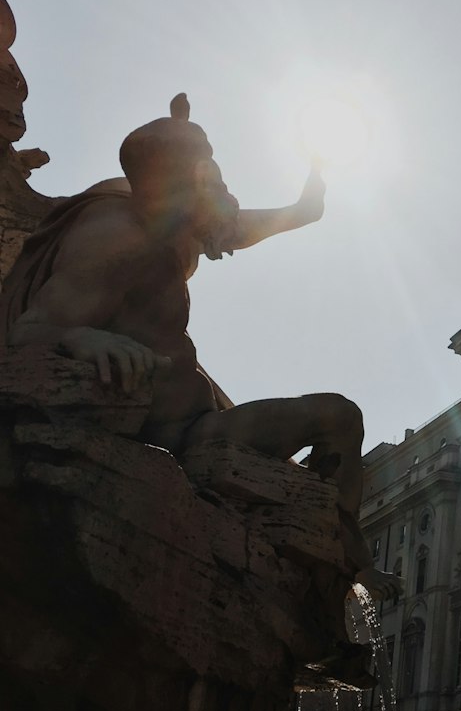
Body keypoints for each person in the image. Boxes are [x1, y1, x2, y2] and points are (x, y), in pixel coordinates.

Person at [0, 93, 399, 602]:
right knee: (336, 418)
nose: (222, 184)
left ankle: (349, 560)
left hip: (199, 421)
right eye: (210, 171)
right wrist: (83, 337)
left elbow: (283, 215)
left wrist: (314, 177)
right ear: (181, 183)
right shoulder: (113, 237)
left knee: (340, 417)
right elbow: (28, 332)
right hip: (169, 438)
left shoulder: (184, 225)